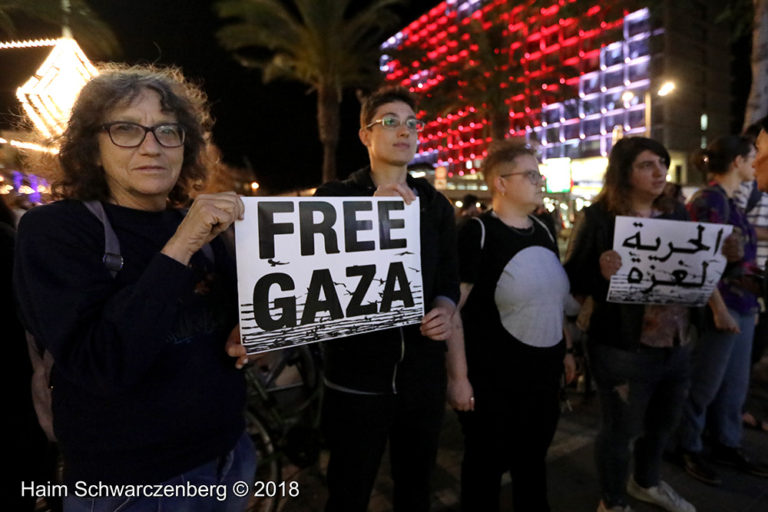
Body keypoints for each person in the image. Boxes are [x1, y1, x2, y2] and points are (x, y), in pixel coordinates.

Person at [13, 64, 254, 511]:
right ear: (92, 146)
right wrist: (181, 244)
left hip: (230, 456)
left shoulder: (204, 227)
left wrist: (252, 336)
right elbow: (101, 364)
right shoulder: (55, 231)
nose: (152, 147)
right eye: (127, 129)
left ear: (187, 144)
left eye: (168, 130)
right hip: (131, 484)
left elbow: (248, 322)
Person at [314, 85, 460, 512]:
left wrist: (445, 310)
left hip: (421, 379)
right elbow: (318, 276)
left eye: (413, 123)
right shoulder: (336, 197)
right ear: (365, 135)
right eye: (390, 122)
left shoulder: (436, 205)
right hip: (355, 379)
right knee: (348, 488)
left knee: (415, 487)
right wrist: (370, 216)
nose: (405, 131)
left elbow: (448, 280)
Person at [565, 137, 696, 512]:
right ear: (624, 172)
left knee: (662, 425)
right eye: (646, 165)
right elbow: (571, 277)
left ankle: (647, 482)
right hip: (622, 345)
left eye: (662, 162)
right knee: (620, 430)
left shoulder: (675, 213)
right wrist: (599, 271)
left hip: (675, 339)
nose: (659, 172)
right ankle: (613, 499)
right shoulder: (600, 218)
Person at [454, 138, 576, 511]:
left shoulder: (543, 229)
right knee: (484, 468)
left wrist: (567, 349)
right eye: (530, 174)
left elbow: (552, 294)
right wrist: (458, 377)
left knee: (532, 463)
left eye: (539, 174)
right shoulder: (477, 233)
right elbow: (452, 310)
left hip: (543, 374)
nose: (540, 181)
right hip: (493, 380)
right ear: (501, 183)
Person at [677, 135, 768, 484]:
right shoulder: (708, 201)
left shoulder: (730, 202)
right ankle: (689, 446)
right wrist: (718, 308)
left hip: (741, 306)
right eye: (751, 156)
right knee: (704, 383)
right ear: (736, 163)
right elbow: (700, 262)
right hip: (723, 307)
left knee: (733, 385)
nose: (755, 162)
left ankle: (726, 443)